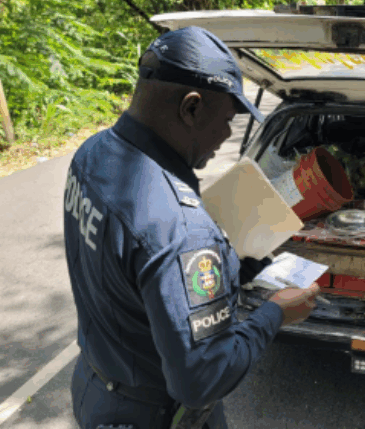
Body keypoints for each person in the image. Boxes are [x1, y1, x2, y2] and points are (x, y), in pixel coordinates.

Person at [63, 26, 320, 429]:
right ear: (192, 108)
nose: (225, 137)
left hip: (95, 390)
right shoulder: (181, 227)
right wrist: (275, 313)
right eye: (227, 121)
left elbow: (132, 270)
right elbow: (201, 379)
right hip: (154, 415)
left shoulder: (92, 155)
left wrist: (233, 262)